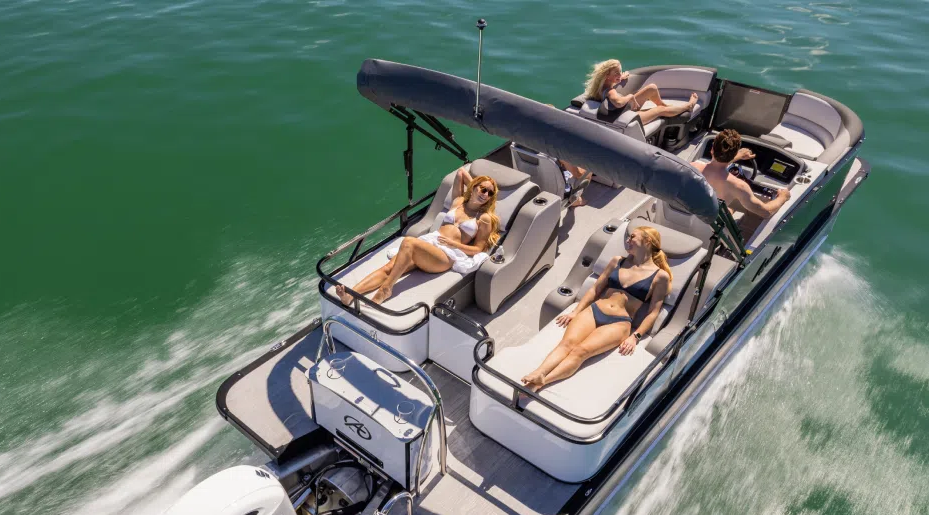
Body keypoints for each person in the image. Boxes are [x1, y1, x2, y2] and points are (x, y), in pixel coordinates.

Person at [519, 226, 672, 392]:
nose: (627, 240)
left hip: (619, 323)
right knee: (566, 344)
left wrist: (635, 336)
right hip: (595, 310)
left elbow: (653, 313)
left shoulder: (660, 276)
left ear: (647, 241)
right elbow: (595, 289)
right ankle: (538, 372)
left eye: (632, 237)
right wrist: (575, 311)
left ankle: (542, 382)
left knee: (581, 351)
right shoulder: (617, 261)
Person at [336, 168, 502, 304]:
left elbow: (478, 249)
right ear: (473, 187)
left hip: (446, 255)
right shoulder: (458, 201)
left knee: (410, 243)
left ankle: (385, 290)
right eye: (483, 189)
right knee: (388, 269)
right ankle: (350, 295)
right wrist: (476, 184)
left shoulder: (484, 218)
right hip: (430, 244)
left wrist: (455, 244)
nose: (485, 194)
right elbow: (460, 173)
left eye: (490, 193)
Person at [692, 129, 792, 241]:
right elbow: (766, 212)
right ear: (733, 154)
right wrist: (783, 197)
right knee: (730, 210)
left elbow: (715, 165)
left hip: (689, 219)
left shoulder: (692, 167)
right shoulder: (738, 185)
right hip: (708, 231)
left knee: (729, 209)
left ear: (711, 150)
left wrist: (737, 156)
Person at [583, 59, 698, 125]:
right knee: (660, 111)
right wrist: (629, 96)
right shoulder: (610, 91)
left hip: (625, 109)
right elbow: (618, 102)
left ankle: (662, 104)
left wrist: (621, 78)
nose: (619, 74)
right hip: (627, 117)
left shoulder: (604, 85)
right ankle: (688, 106)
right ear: (607, 76)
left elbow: (612, 87)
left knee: (651, 88)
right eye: (616, 73)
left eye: (620, 71)